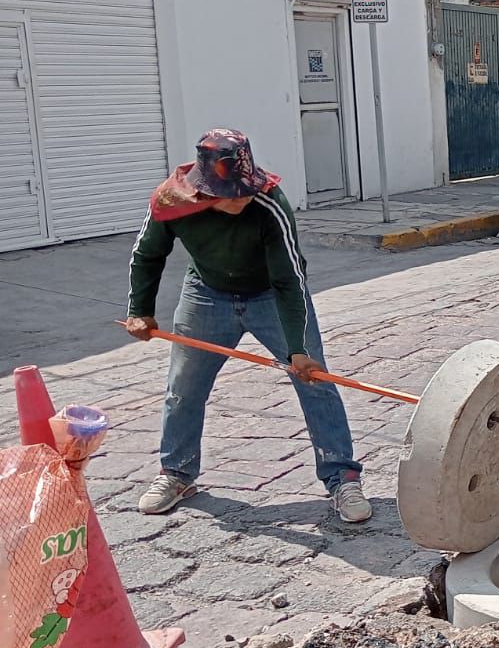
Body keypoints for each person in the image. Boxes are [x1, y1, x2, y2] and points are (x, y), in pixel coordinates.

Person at [124, 129, 371, 523]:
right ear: (206, 189)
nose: (242, 195)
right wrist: (140, 310)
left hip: (269, 295)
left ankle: (342, 476)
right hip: (206, 294)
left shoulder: (269, 203)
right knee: (183, 388)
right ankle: (177, 472)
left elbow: (290, 279)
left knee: (316, 382)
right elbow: (147, 254)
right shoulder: (170, 201)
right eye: (232, 190)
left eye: (245, 187)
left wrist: (298, 350)